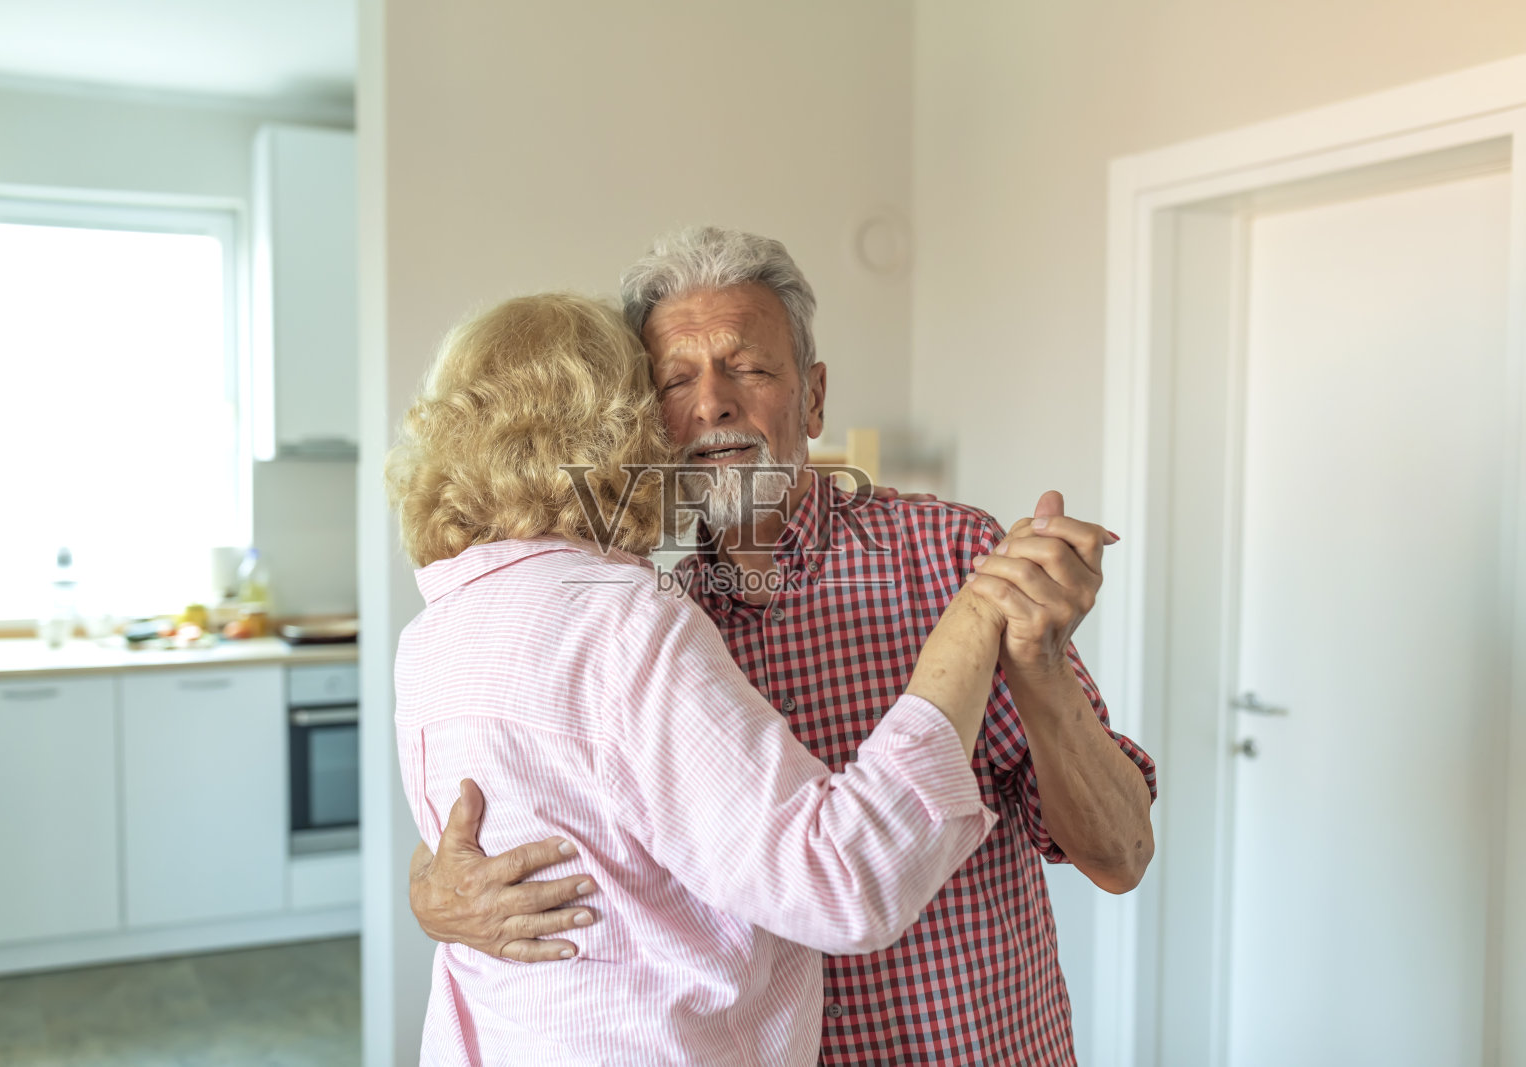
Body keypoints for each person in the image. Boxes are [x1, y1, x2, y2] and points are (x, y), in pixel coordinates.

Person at [408, 229, 1158, 1065]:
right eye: (675, 380)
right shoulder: (632, 617)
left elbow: (1120, 855)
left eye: (750, 368)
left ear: (813, 398)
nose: (713, 403)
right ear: (644, 425)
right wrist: (435, 895)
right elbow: (515, 811)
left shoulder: (953, 556)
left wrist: (1041, 663)